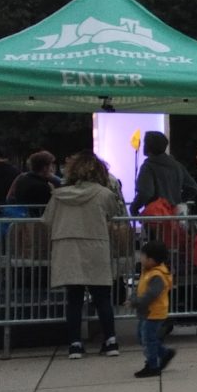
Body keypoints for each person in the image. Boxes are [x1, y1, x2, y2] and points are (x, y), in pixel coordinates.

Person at [44, 152, 128, 360]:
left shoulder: (59, 195)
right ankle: (110, 340)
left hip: (68, 247)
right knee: (102, 298)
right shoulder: (103, 194)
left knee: (74, 299)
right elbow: (113, 214)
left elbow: (47, 220)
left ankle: (75, 343)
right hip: (95, 245)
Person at [131, 239, 176, 378]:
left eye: (142, 256)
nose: (140, 258)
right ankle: (164, 353)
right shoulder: (148, 271)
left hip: (154, 313)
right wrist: (133, 298)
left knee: (148, 339)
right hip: (146, 312)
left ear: (151, 260)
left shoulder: (157, 275)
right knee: (143, 337)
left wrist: (136, 302)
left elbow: (150, 294)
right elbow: (140, 288)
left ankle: (152, 365)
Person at [131, 131, 197, 214]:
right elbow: (193, 188)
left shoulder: (148, 166)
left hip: (156, 216)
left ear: (148, 146)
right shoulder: (177, 166)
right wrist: (177, 200)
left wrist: (134, 208)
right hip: (173, 215)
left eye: (145, 143)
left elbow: (145, 192)